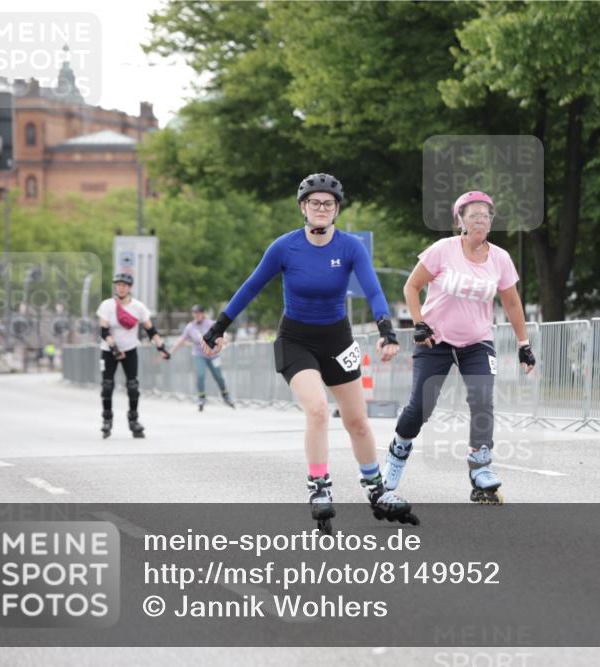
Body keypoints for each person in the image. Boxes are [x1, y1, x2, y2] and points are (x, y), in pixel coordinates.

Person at [200, 173, 418, 532]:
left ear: (336, 210)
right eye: (314, 203)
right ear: (303, 207)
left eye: (328, 204)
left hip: (337, 340)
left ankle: (376, 489)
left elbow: (374, 290)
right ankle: (319, 486)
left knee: (357, 421)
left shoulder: (350, 247)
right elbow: (251, 287)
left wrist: (386, 331)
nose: (320, 208)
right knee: (317, 409)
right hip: (296, 340)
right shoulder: (285, 247)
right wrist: (218, 328)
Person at [383, 191, 535, 504]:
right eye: (473, 214)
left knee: (482, 400)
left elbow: (512, 303)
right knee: (420, 408)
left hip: (477, 343)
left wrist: (524, 344)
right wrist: (419, 323)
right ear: (460, 221)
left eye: (486, 215)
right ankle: (398, 451)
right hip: (435, 341)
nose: (480, 219)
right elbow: (411, 287)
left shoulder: (501, 259)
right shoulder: (443, 250)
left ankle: (481, 468)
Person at [96, 273, 170, 438]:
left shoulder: (138, 307)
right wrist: (114, 347)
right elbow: (104, 330)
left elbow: (151, 330)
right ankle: (107, 419)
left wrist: (161, 347)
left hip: (130, 350)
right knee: (107, 385)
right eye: (118, 284)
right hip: (109, 350)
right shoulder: (107, 305)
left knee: (133, 386)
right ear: (115, 287)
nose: (121, 287)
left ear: (130, 288)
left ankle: (133, 420)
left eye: (124, 285)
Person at [169, 304, 235, 411]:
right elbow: (181, 340)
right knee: (200, 375)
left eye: (199, 313)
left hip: (214, 355)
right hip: (199, 355)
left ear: (203, 314)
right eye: (195, 313)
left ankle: (225, 395)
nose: (197, 315)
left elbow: (223, 331)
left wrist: (225, 339)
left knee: (218, 376)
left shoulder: (211, 323)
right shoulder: (190, 327)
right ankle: (201, 397)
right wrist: (170, 352)